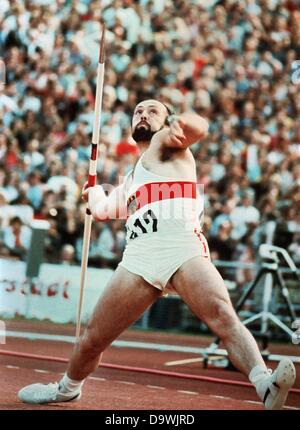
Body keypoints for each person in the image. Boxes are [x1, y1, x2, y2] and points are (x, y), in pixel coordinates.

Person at [18, 100, 295, 409]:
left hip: (182, 247)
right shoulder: (133, 176)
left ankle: (264, 384)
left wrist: (184, 123)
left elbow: (199, 127)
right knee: (93, 338)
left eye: (152, 111)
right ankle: (67, 388)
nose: (143, 115)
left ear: (165, 121)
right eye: (138, 111)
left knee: (223, 317)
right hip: (139, 256)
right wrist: (94, 194)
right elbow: (105, 211)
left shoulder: (166, 142)